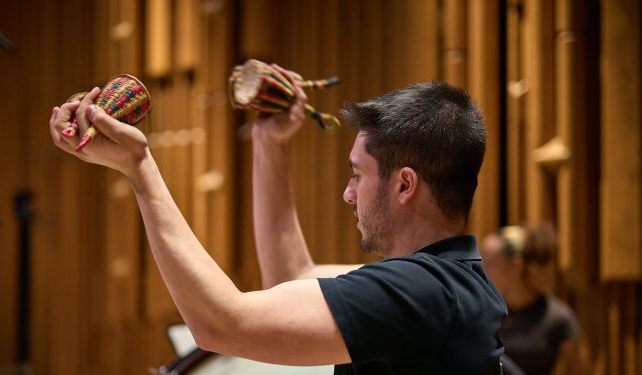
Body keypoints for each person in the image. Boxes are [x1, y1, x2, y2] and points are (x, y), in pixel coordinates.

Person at [49, 65, 506, 374]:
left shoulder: (419, 292)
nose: (347, 194)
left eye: (357, 175)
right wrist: (270, 141)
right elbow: (293, 276)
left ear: (405, 185)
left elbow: (222, 325)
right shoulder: (448, 283)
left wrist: (141, 169)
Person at [481, 224, 585, 375]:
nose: (482, 270)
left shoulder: (558, 317)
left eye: (490, 263)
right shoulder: (486, 311)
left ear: (516, 265)